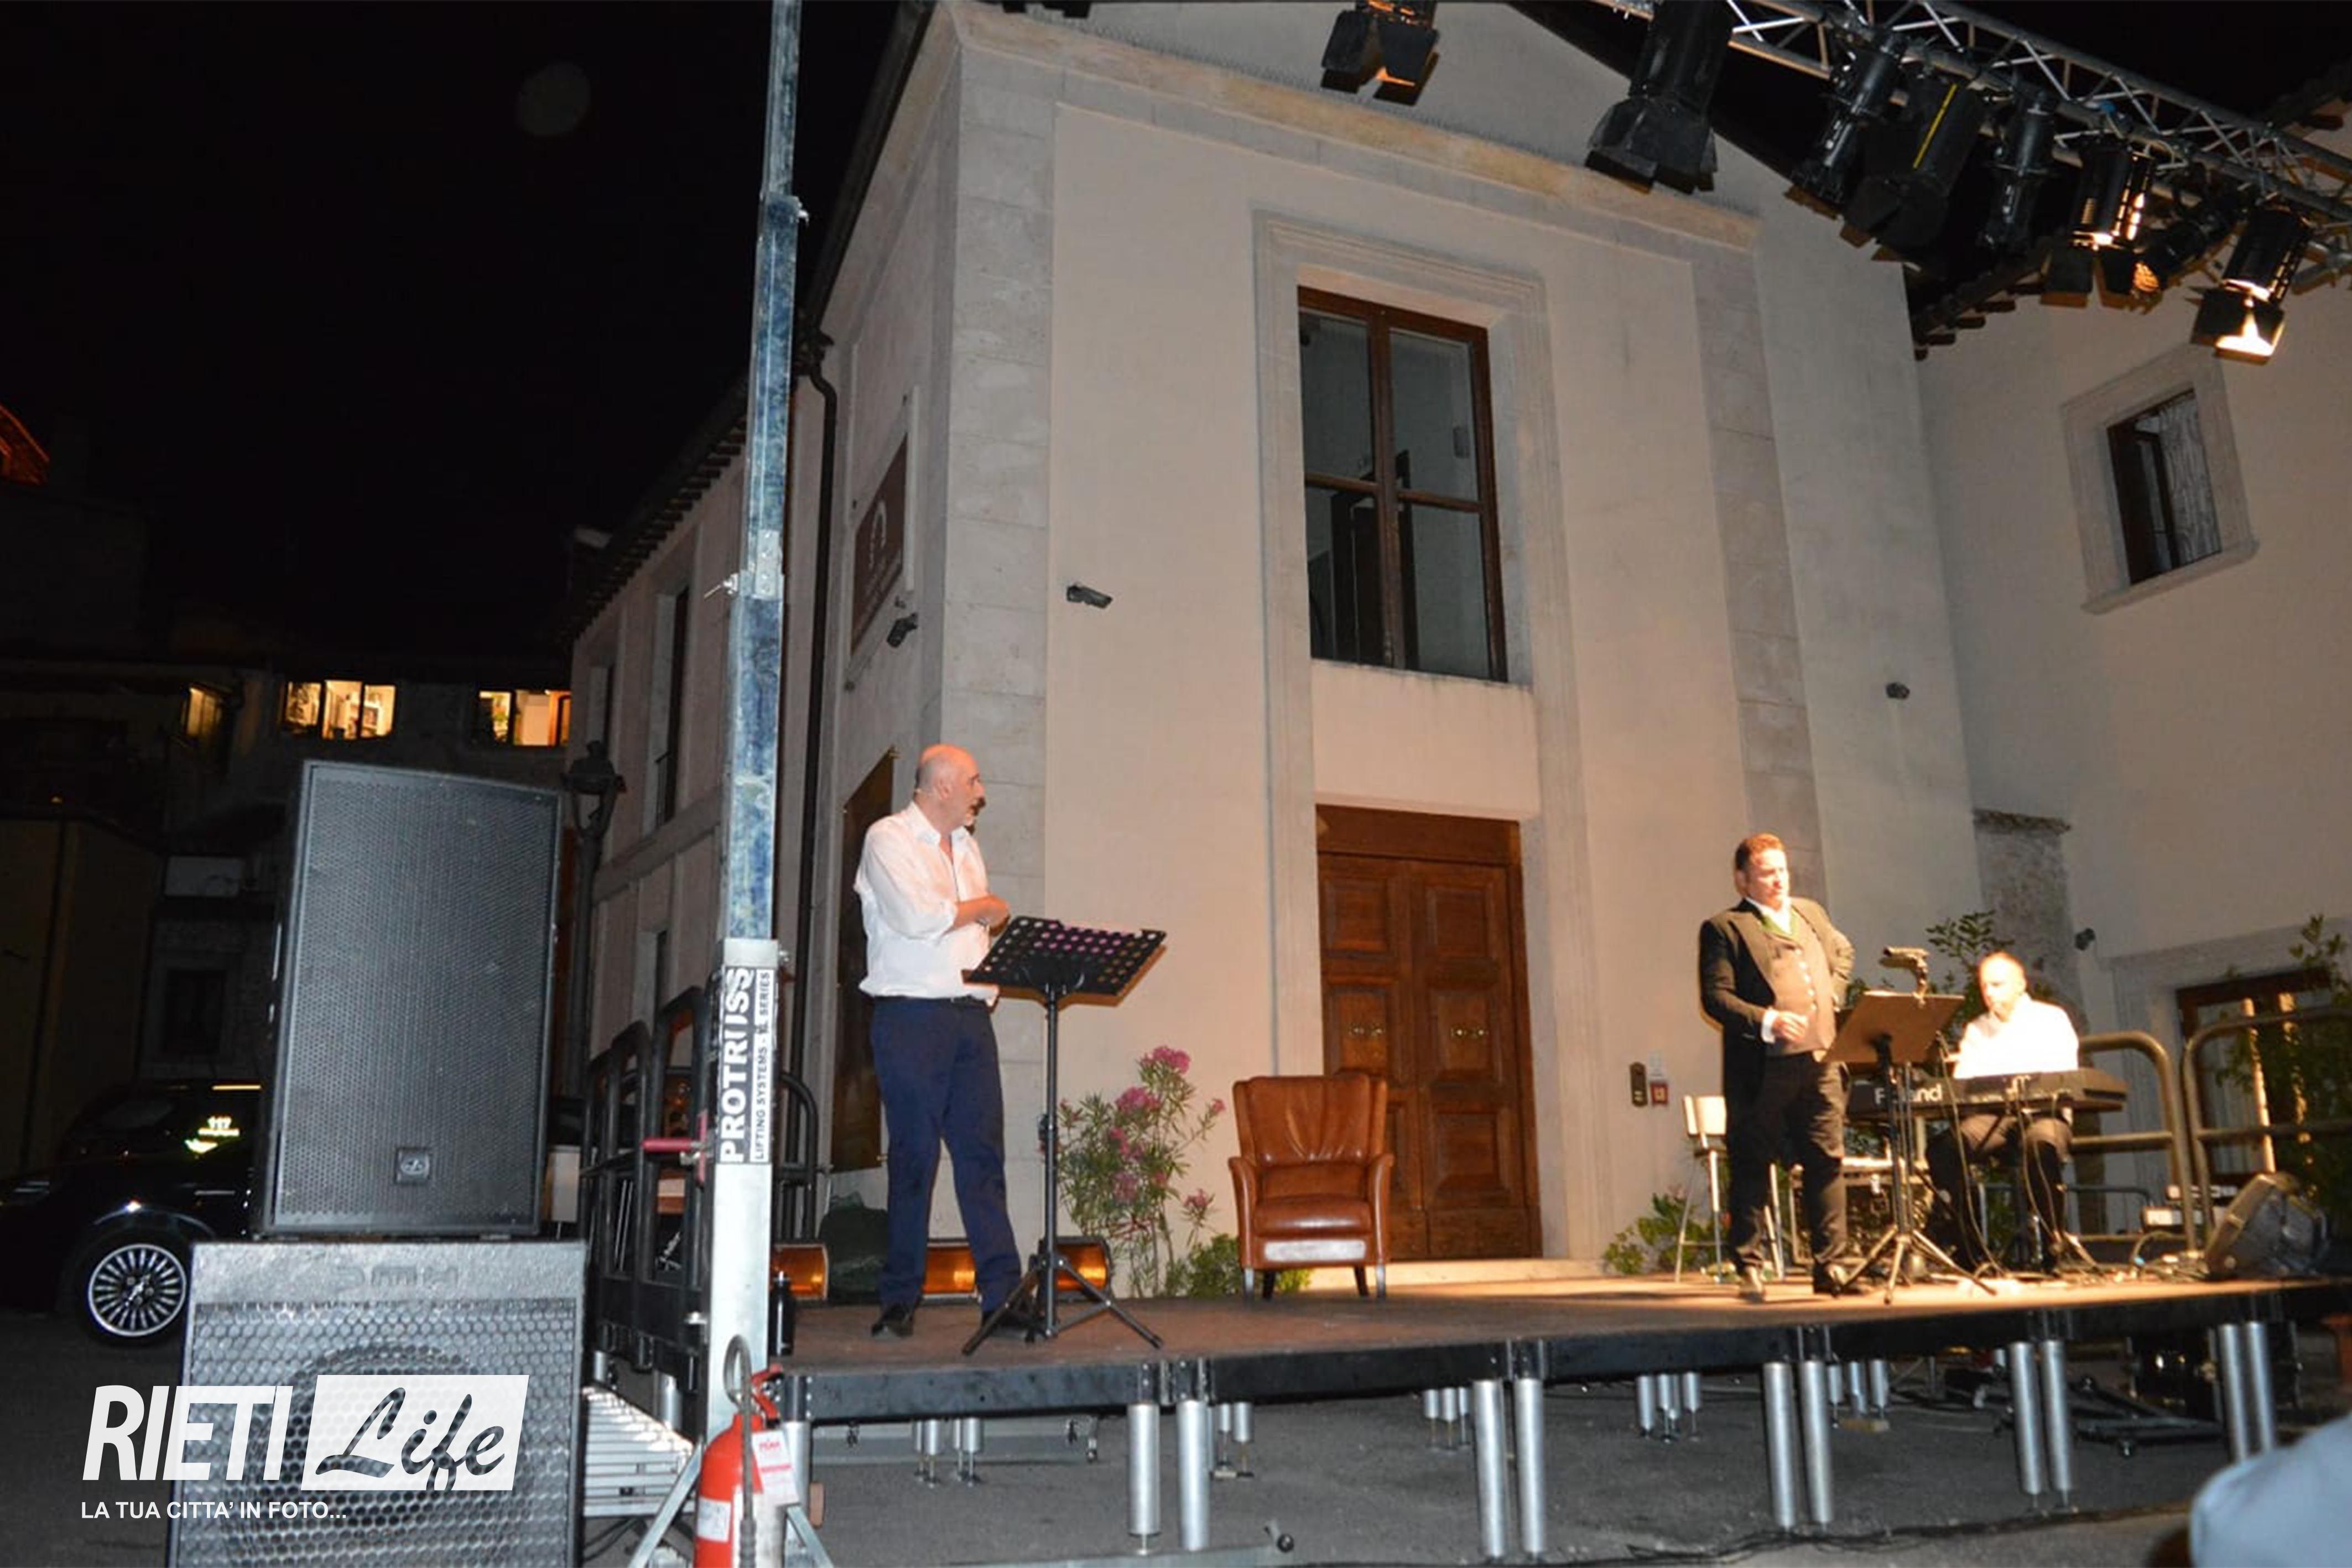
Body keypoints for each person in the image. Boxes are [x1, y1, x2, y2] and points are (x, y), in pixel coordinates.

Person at [854, 743, 1028, 1340]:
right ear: (943, 786)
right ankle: (899, 1297)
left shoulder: (967, 847)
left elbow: (959, 929)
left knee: (983, 1158)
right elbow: (917, 917)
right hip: (912, 1018)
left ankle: (1002, 1294)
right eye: (974, 782)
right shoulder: (888, 838)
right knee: (915, 1157)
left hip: (970, 1016)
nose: (982, 793)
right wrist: (983, 907)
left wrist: (977, 922)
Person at [1698, 832, 1860, 1300]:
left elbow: (1844, 953)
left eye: (1782, 870)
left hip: (1821, 1059)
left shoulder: (1811, 914)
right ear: (1742, 879)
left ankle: (1831, 1265)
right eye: (1767, 872)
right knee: (1752, 1162)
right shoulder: (1725, 928)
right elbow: (1716, 997)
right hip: (1763, 1066)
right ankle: (1749, 1264)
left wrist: (1833, 994)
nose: (1778, 879)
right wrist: (1768, 1020)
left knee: (1826, 1159)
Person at [1924, 951, 2080, 1272]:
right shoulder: (1977, 1029)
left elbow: (2061, 1074)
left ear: (2021, 984)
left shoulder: (2051, 1019)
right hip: (1995, 1116)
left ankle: (2054, 1244)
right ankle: (1969, 1247)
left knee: (2041, 1144)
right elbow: (1965, 1083)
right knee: (1945, 1149)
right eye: (1985, 986)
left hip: (2043, 1112)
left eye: (1997, 984)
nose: (1989, 993)